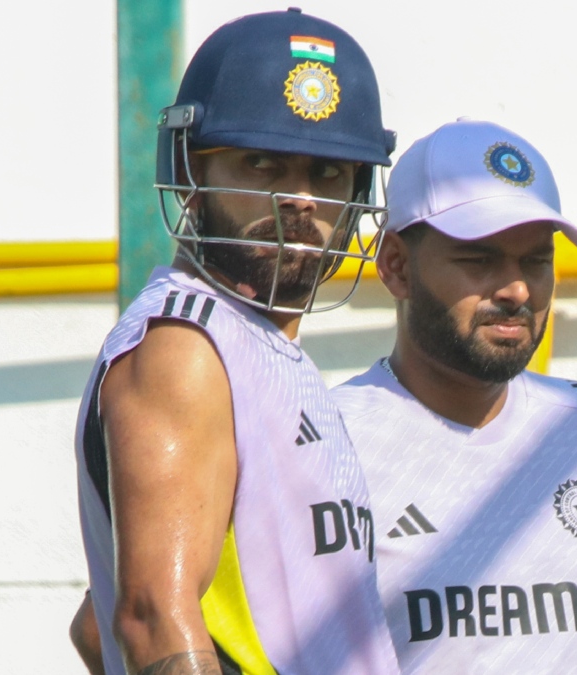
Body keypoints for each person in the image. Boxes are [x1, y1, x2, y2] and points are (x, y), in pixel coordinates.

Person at [70, 9, 401, 675]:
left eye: (328, 172)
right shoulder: (187, 346)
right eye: (262, 163)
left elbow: (93, 629)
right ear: (191, 172)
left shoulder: (256, 346)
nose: (299, 198)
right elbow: (152, 617)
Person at [331, 118, 577, 674]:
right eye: (479, 259)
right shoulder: (327, 444)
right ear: (396, 266)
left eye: (536, 261)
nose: (516, 289)